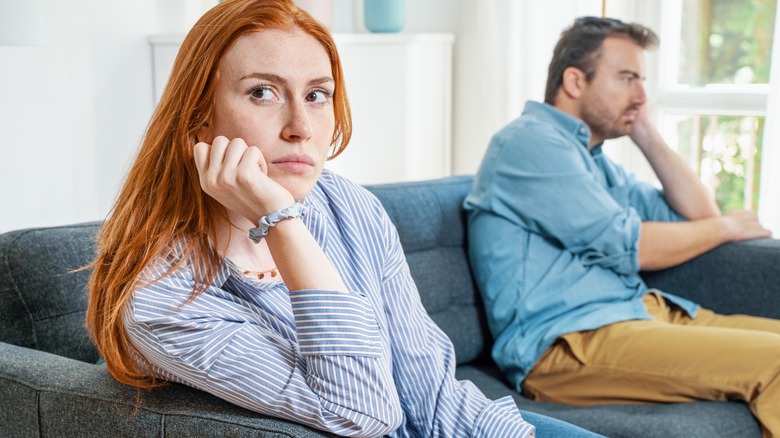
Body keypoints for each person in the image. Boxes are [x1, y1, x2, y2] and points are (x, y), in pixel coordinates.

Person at [85, 1, 602, 436]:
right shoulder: (162, 298)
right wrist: (280, 219)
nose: (300, 127)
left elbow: (427, 386)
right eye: (261, 92)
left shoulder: (346, 205)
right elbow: (363, 412)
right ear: (198, 116)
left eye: (317, 94)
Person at [464, 15, 780, 438]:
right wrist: (726, 227)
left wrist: (645, 132)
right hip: (568, 344)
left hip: (639, 315)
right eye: (627, 78)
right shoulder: (529, 143)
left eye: (643, 81)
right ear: (575, 82)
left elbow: (699, 216)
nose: (641, 95)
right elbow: (632, 246)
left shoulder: (595, 161)